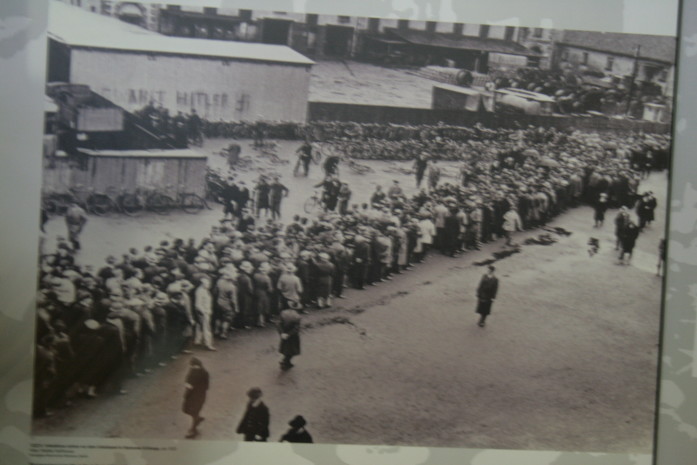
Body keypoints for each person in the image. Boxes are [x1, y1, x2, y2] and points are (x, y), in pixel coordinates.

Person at [182, 357, 209, 438]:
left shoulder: (203, 373)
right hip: (191, 396)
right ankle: (197, 419)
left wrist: (190, 386)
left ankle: (193, 430)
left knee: (194, 412)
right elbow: (187, 379)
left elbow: (189, 383)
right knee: (187, 410)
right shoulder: (194, 371)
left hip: (197, 397)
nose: (192, 367)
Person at [278, 306, 301, 370]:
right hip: (293, 337)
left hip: (284, 336)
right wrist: (289, 334)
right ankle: (284, 361)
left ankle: (287, 362)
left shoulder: (283, 313)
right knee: (292, 351)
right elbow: (296, 329)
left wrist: (282, 333)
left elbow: (279, 324)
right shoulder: (297, 317)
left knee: (286, 350)